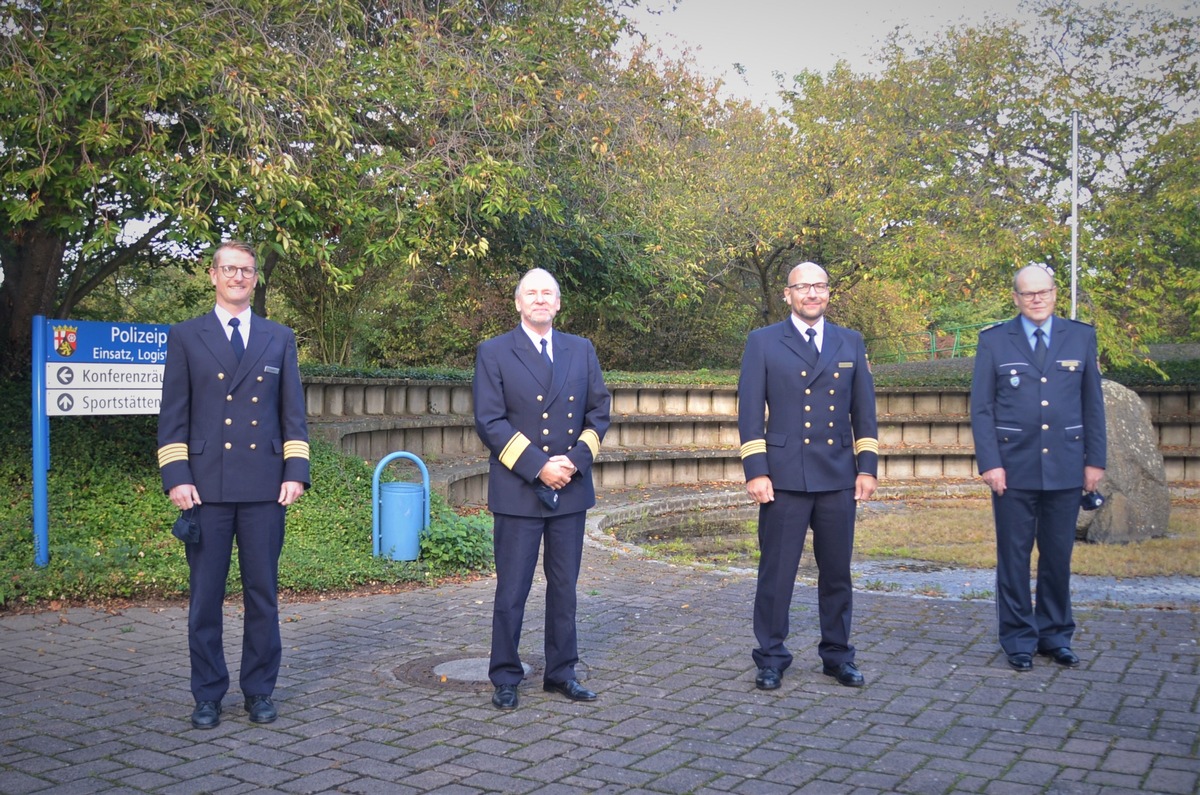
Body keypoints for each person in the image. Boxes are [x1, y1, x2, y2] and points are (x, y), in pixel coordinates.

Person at [157, 241, 310, 729]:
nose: (238, 277)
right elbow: (173, 415)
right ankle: (207, 694)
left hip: (265, 488)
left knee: (262, 594)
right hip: (205, 489)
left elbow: (293, 415)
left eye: (246, 270)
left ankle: (259, 691)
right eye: (229, 269)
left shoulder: (278, 336)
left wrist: (295, 472)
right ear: (213, 275)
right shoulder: (185, 336)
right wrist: (176, 477)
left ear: (255, 278)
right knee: (205, 599)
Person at [473, 268, 611, 710]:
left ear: (557, 303)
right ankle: (506, 676)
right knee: (512, 590)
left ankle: (561, 673)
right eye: (530, 293)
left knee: (565, 587)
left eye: (547, 293)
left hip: (570, 487)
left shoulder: (581, 349)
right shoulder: (493, 352)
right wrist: (539, 467)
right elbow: (489, 421)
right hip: (519, 489)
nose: (539, 299)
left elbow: (599, 412)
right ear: (517, 303)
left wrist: (571, 462)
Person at [737, 261, 879, 691]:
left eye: (819, 286)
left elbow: (864, 412)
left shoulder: (850, 342)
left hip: (837, 473)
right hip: (782, 477)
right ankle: (771, 657)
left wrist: (867, 468)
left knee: (836, 572)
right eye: (803, 287)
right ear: (788, 295)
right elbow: (749, 414)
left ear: (829, 293)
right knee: (776, 573)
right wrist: (756, 470)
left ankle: (837, 655)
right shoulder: (762, 342)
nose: (812, 294)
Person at [970, 264, 1106, 672]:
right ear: (1015, 298)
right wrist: (990, 464)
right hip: (1013, 468)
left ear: (1054, 293)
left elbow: (1091, 404)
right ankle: (1017, 639)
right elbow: (982, 408)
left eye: (1043, 292)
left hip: (1066, 465)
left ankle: (1055, 635)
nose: (1036, 299)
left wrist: (1094, 461)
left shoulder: (1080, 336)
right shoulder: (994, 341)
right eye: (1028, 294)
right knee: (1013, 557)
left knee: (1058, 556)